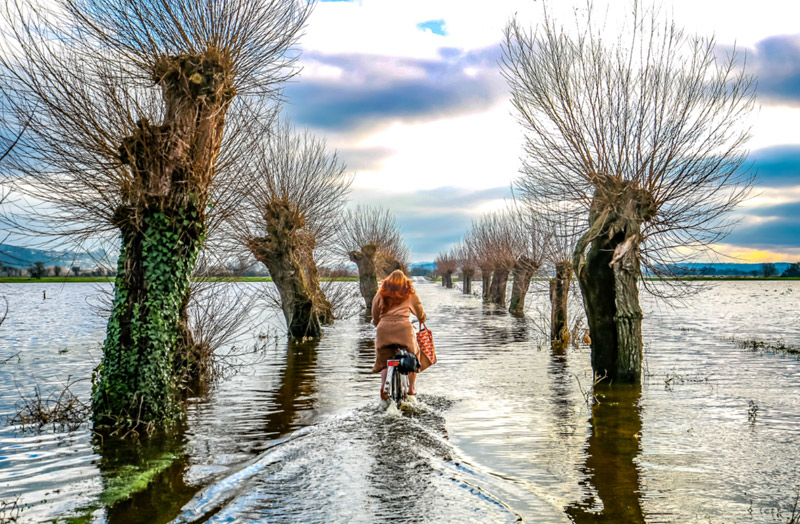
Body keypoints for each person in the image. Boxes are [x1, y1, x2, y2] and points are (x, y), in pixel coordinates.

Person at [371, 269, 427, 400]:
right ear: (405, 282)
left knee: (383, 360)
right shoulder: (410, 294)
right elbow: (419, 312)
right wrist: (422, 319)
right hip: (404, 330)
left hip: (383, 330)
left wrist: (378, 323)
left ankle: (383, 387)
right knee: (413, 357)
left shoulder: (380, 294)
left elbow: (374, 312)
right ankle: (411, 389)